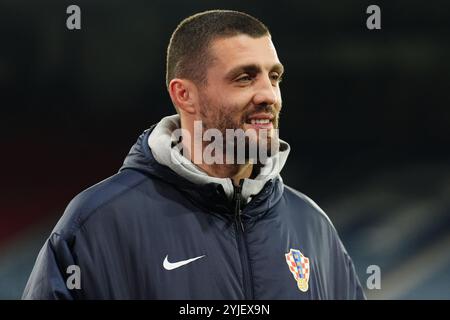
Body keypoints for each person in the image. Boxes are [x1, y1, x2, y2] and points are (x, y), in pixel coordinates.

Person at [23, 10, 365, 299]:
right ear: (184, 95)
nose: (269, 96)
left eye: (274, 77)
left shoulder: (312, 227)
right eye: (245, 78)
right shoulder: (97, 225)